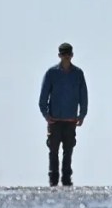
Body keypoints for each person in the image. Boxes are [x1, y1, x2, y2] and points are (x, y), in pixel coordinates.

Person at [38, 42, 88, 187]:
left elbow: (83, 96)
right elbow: (43, 97)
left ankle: (67, 180)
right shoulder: (51, 73)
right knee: (53, 151)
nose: (66, 56)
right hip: (54, 120)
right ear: (59, 55)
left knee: (68, 150)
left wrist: (82, 114)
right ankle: (53, 179)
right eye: (63, 54)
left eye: (68, 54)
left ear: (72, 55)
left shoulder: (78, 73)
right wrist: (46, 115)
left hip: (70, 119)